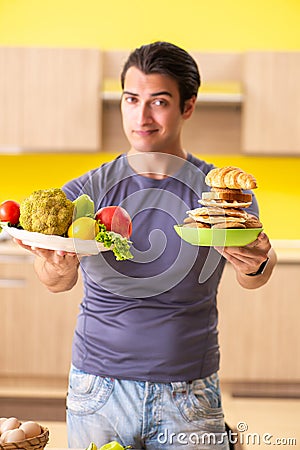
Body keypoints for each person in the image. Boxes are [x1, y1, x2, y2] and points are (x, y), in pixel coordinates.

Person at [16, 41, 276, 449]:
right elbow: (52, 279)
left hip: (189, 394)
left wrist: (255, 265)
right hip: (97, 391)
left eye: (159, 102)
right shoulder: (87, 190)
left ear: (187, 106)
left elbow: (256, 272)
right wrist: (57, 269)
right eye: (131, 99)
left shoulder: (222, 196)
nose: (141, 116)